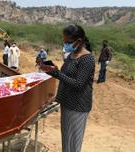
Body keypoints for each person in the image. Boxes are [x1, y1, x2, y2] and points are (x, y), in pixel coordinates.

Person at [40, 24, 95, 152]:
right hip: (67, 102)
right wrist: (51, 70)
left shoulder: (87, 59)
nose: (65, 44)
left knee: (74, 141)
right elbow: (66, 76)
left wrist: (58, 74)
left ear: (79, 41)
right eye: (64, 41)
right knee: (66, 138)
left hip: (78, 105)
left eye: (68, 42)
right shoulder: (71, 55)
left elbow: (78, 84)